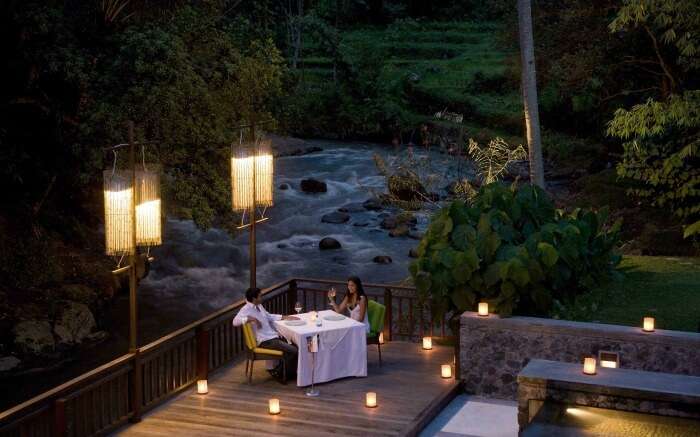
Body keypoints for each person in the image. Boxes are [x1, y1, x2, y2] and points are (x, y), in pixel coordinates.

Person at [233, 287, 299, 381]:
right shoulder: (246, 309)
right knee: (294, 350)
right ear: (254, 298)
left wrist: (285, 317)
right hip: (265, 341)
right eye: (260, 296)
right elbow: (234, 322)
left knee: (294, 345)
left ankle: (284, 372)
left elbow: (268, 316)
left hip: (272, 337)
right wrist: (250, 319)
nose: (262, 298)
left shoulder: (259, 306)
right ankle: (280, 373)